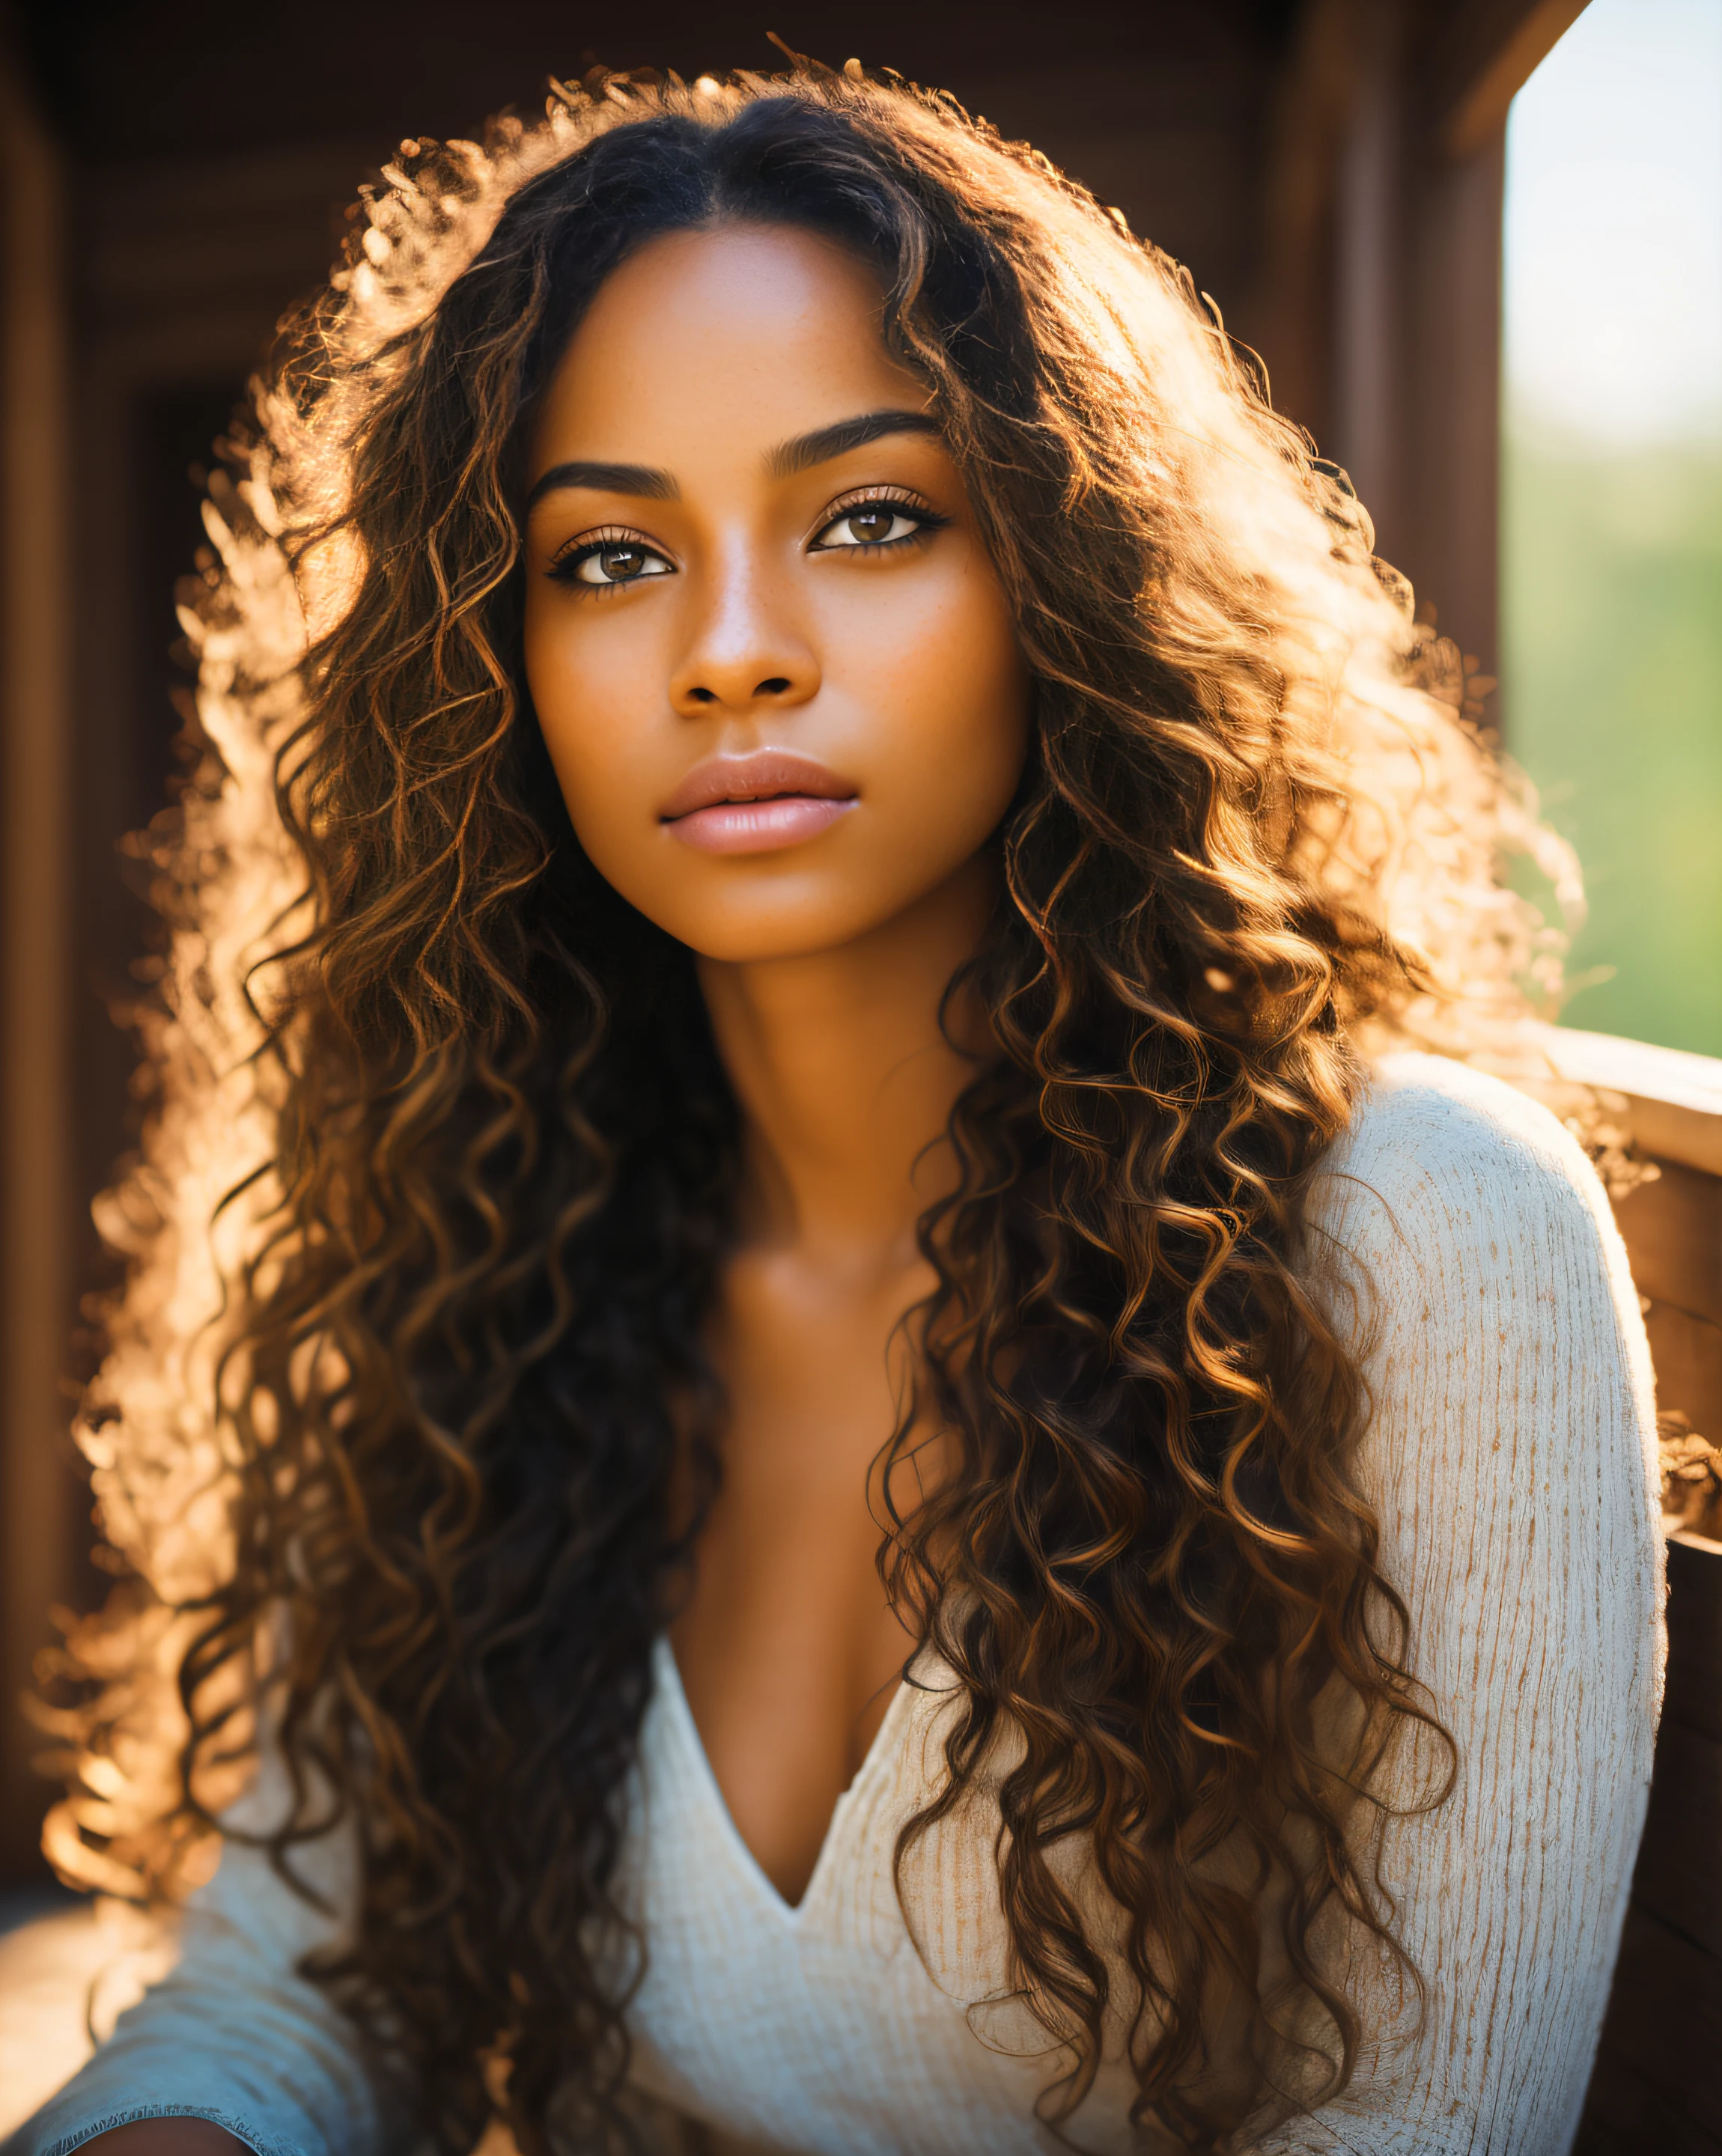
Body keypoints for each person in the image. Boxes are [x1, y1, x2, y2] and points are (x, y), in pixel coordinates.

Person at [10, 61, 1661, 2156]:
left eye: (870, 519)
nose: (729, 653)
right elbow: (282, 1998)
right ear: (487, 660)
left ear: (1068, 575)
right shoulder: (475, 1245)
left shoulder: (1414, 1239)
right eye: (605, 557)